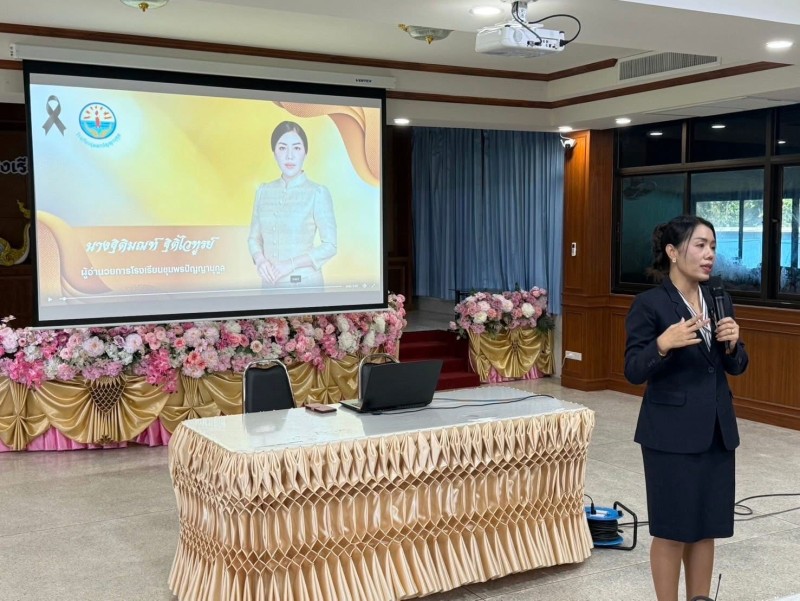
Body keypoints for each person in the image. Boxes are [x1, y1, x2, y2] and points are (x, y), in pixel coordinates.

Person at [624, 215, 748, 601]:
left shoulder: (718, 299)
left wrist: (734, 344)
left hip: (716, 431)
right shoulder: (649, 304)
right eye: (700, 245)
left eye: (713, 246)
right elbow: (633, 370)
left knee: (705, 527)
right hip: (670, 434)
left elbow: (736, 366)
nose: (709, 254)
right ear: (673, 252)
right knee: (673, 530)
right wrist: (663, 344)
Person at [248, 121, 337, 288]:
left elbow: (330, 245)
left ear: (305, 152)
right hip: (269, 285)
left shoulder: (317, 193)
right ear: (274, 152)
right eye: (282, 148)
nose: (289, 156)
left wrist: (290, 264)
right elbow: (254, 238)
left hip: (306, 285)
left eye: (296, 148)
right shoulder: (263, 191)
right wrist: (260, 260)